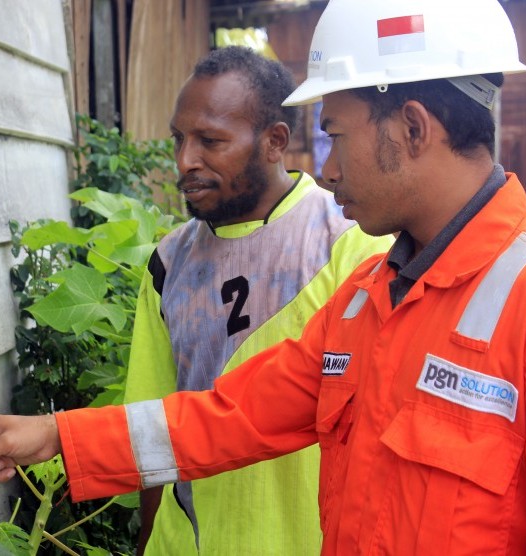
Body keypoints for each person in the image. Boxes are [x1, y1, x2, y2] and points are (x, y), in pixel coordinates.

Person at [0, 0, 526, 553]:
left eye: (336, 137)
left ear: (413, 128)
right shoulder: (365, 302)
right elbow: (227, 417)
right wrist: (54, 435)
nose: (330, 169)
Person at [122, 46, 391, 556]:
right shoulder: (168, 263)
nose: (185, 161)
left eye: (210, 141)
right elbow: (150, 427)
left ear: (274, 141)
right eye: (178, 139)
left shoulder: (350, 245)